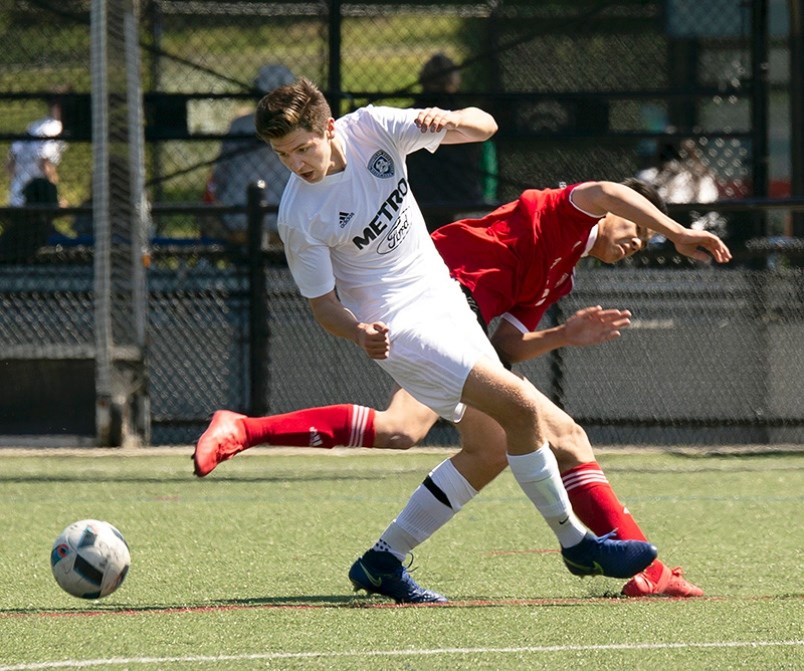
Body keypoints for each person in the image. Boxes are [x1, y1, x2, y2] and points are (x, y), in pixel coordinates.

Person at [194, 76, 660, 602]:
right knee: (519, 409)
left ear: (329, 127)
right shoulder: (300, 215)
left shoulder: (372, 126)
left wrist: (452, 118)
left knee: (489, 449)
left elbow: (486, 126)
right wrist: (357, 330)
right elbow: (324, 306)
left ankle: (381, 562)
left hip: (443, 297)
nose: (297, 164)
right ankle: (577, 545)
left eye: (303, 148)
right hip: (399, 327)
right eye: (283, 156)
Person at [201, 64, 295, 245]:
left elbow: (220, 177)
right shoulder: (301, 127)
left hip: (237, 219)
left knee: (204, 210)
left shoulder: (240, 124)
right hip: (288, 221)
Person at [406, 53, 497, 231]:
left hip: (419, 205)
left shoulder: (407, 117)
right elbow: (489, 165)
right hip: (467, 203)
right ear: (454, 81)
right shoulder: (467, 120)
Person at [1, 87, 68, 261]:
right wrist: (53, 192)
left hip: (18, 193)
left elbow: (9, 165)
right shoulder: (55, 127)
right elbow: (44, 160)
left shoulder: (35, 126)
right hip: (37, 197)